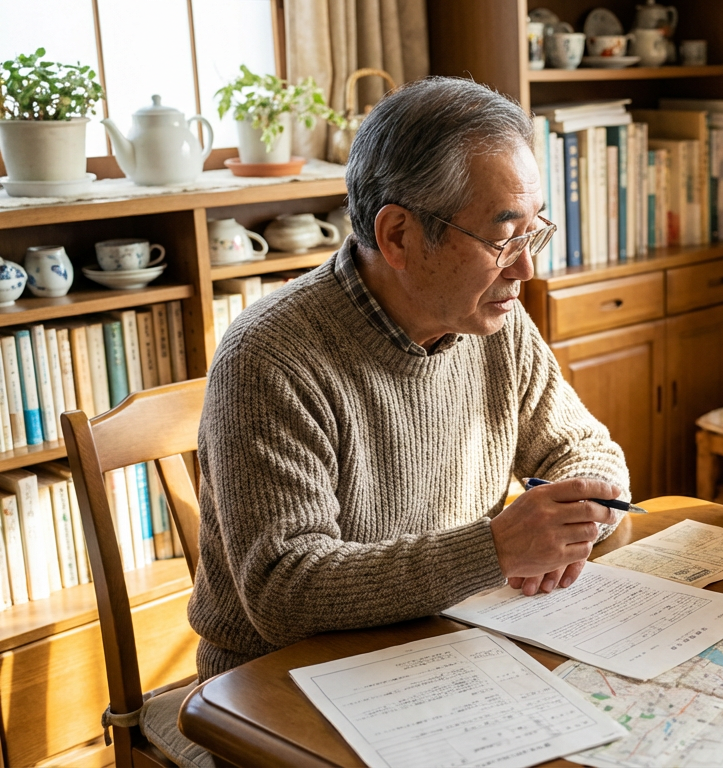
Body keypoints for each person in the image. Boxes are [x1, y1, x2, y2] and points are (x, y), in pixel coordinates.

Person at [187, 77, 632, 679]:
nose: (527, 266)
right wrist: (497, 549)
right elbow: (282, 591)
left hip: (449, 643)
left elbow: (584, 447)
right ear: (397, 235)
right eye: (504, 239)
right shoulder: (270, 357)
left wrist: (583, 511)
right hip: (284, 681)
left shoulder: (493, 320)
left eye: (534, 230)